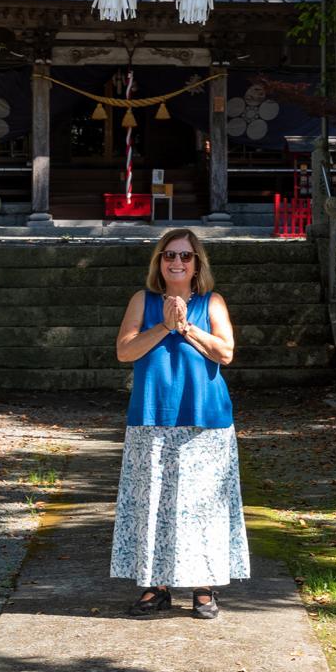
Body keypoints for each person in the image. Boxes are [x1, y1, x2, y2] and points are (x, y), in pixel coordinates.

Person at [110, 228, 250, 618]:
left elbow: (225, 353)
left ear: (196, 263)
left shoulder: (212, 302)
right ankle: (157, 587)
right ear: (159, 261)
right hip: (152, 414)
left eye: (185, 256)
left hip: (205, 418)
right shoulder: (143, 300)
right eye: (169, 255)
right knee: (153, 500)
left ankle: (203, 587)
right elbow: (125, 351)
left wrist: (186, 327)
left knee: (201, 505)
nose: (176, 262)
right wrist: (165, 327)